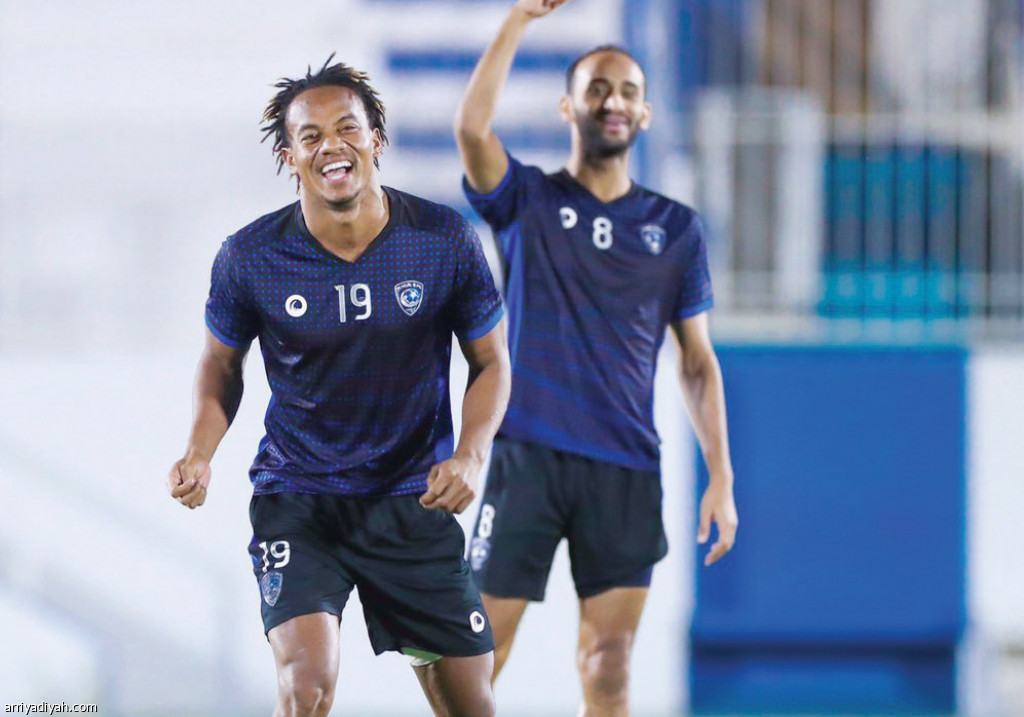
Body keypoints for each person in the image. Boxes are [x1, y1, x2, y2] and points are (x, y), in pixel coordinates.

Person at [166, 57, 510, 717]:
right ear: (289, 158)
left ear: (376, 138)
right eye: (311, 135)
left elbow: (491, 362)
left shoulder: (441, 240)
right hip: (300, 501)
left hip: (413, 500)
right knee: (307, 686)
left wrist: (470, 455)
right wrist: (199, 450)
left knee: (472, 705)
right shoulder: (250, 257)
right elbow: (221, 367)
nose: (332, 144)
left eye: (347, 127)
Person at [454, 1, 739, 713]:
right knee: (473, 656)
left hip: (625, 468)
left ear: (644, 114)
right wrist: (518, 21)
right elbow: (472, 130)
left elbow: (696, 362)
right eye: (598, 89)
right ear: (569, 107)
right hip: (527, 457)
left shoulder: (676, 230)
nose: (613, 102)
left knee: (608, 666)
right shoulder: (527, 201)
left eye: (628, 92)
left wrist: (721, 475)